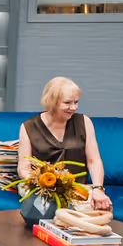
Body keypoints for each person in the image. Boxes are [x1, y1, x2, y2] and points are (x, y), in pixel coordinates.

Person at [18, 76, 112, 211]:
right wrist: (43, 183)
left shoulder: (84, 122)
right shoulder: (28, 127)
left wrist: (98, 189)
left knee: (102, 207)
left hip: (76, 187)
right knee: (49, 208)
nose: (73, 108)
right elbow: (23, 168)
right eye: (67, 103)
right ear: (52, 102)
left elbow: (94, 161)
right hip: (41, 187)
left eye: (76, 102)